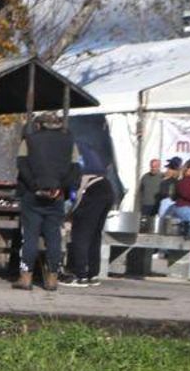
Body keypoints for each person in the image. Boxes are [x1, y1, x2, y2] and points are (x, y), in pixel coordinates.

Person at [13, 113, 80, 291]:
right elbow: (75, 168)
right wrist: (60, 187)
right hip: (56, 195)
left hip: (32, 194)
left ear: (39, 125)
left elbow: (21, 164)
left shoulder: (29, 140)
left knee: (30, 237)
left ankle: (26, 278)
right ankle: (52, 279)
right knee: (53, 237)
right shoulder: (69, 141)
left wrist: (34, 185)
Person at [64, 149, 117, 287]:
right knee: (95, 235)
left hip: (92, 190)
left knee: (80, 234)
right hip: (106, 188)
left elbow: (76, 196)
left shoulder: (72, 153)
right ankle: (93, 274)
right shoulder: (87, 149)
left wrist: (68, 215)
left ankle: (80, 275)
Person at [169, 160, 190, 236]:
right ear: (188, 168)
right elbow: (187, 195)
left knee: (180, 232)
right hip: (185, 208)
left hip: (187, 208)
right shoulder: (184, 181)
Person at [137, 158, 165, 227]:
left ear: (159, 166)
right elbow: (141, 190)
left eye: (155, 167)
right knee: (144, 225)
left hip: (157, 205)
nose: (153, 168)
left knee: (154, 226)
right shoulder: (145, 177)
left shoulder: (163, 177)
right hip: (146, 205)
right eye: (152, 166)